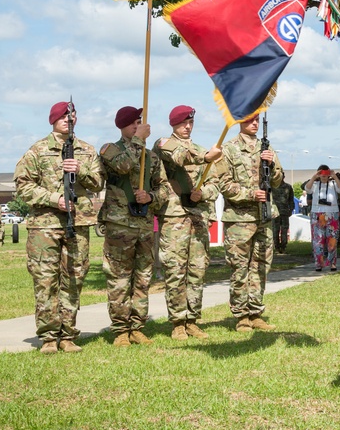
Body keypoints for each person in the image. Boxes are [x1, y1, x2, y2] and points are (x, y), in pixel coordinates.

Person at [14, 101, 105, 354]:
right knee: (45, 280)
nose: (68, 119)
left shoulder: (86, 150)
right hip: (45, 227)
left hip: (77, 225)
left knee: (74, 279)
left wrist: (81, 169)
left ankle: (68, 335)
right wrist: (55, 199)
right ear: (53, 120)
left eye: (72, 115)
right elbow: (23, 187)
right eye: (63, 116)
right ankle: (49, 337)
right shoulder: (38, 150)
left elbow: (98, 182)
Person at [99, 106, 169, 347]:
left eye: (140, 122)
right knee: (119, 278)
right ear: (123, 126)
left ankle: (137, 326)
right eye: (133, 123)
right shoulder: (110, 150)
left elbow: (164, 189)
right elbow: (123, 166)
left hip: (145, 225)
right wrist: (138, 140)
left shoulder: (151, 157)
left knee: (142, 278)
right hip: (120, 225)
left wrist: (151, 197)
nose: (138, 126)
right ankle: (120, 329)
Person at [153, 105, 222, 341]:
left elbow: (215, 183)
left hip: (198, 218)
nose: (188, 127)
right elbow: (178, 157)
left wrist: (202, 194)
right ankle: (177, 322)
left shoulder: (203, 151)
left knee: (197, 271)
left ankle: (192, 320)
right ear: (174, 124)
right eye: (183, 123)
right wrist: (205, 157)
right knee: (175, 269)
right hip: (174, 217)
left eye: (191, 123)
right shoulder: (163, 144)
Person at [218, 113, 284, 332]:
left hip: (264, 216)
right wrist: (249, 194)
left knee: (261, 266)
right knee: (239, 267)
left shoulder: (267, 148)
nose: (254, 124)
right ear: (240, 122)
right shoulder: (229, 149)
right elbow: (224, 184)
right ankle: (241, 315)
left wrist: (272, 163)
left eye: (257, 120)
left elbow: (278, 180)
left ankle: (256, 312)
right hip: (239, 219)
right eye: (249, 120)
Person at [306, 166, 340, 271]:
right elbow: (307, 189)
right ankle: (319, 263)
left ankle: (332, 263)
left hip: (332, 213)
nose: (324, 176)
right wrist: (314, 177)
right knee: (318, 240)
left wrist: (334, 176)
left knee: (332, 239)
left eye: (326, 174)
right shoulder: (315, 185)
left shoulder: (333, 184)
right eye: (322, 174)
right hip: (317, 214)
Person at [271, 179, 295, 253]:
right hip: (275, 212)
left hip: (284, 211)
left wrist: (291, 209)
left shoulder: (288, 187)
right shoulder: (272, 186)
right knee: (275, 230)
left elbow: (291, 199)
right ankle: (277, 247)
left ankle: (283, 247)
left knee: (284, 229)